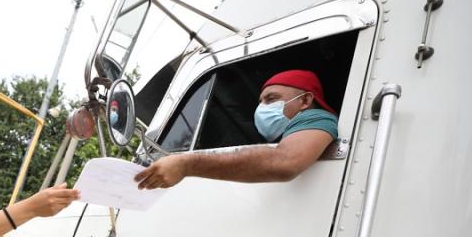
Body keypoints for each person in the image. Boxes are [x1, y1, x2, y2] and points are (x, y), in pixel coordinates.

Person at [135, 69, 338, 188]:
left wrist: (186, 164)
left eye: (272, 99)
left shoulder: (316, 118)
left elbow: (285, 162)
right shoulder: (297, 131)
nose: (262, 109)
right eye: (261, 102)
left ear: (305, 100)